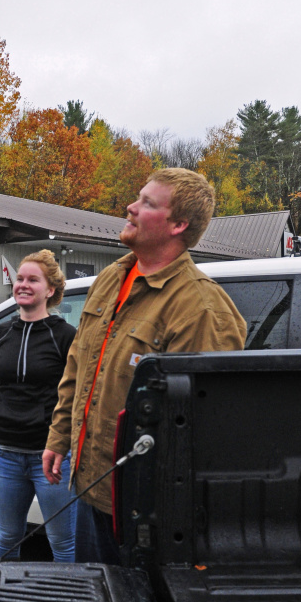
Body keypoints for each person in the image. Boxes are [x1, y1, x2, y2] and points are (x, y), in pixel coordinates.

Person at [42, 168, 247, 565]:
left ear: (179, 225)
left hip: (145, 515)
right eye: (138, 198)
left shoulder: (201, 308)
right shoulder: (110, 279)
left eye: (148, 203)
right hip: (88, 488)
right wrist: (59, 437)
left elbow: (208, 431)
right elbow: (78, 367)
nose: (131, 207)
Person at [0, 250, 77, 561]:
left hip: (52, 458)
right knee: (7, 536)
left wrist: (64, 447)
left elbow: (76, 397)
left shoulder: (65, 336)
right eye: (19, 278)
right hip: (7, 456)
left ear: (50, 290)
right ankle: (2, 601)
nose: (23, 284)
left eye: (33, 279)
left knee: (62, 542)